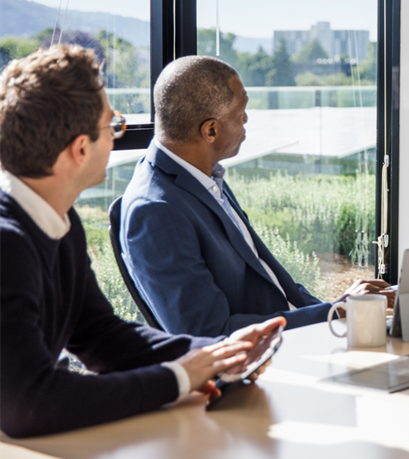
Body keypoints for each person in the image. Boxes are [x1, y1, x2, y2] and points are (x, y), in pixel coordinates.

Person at [0, 45, 284, 438]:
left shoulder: (60, 223)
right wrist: (177, 379)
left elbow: (100, 336)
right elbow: (29, 405)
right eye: (111, 125)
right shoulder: (7, 245)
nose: (117, 136)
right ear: (80, 149)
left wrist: (215, 354)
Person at [120, 56, 392, 338]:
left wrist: (336, 311)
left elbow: (271, 281)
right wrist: (334, 313)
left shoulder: (204, 177)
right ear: (210, 130)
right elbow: (210, 333)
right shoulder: (155, 210)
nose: (247, 119)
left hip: (298, 337)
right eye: (241, 111)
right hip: (270, 360)